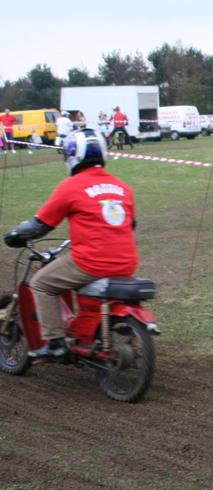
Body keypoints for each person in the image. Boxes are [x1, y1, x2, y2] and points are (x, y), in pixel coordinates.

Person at [3, 129, 139, 360]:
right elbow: (129, 224)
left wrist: (14, 235)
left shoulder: (70, 186)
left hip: (90, 262)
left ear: (72, 155)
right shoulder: (122, 187)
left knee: (41, 283)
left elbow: (39, 226)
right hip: (126, 263)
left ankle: (55, 342)